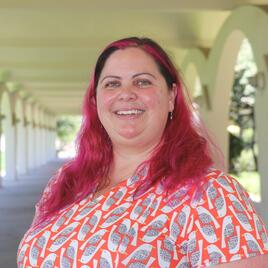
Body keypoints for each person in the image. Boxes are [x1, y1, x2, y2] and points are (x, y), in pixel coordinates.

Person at [17, 37, 268, 267]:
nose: (126, 94)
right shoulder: (66, 182)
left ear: (171, 96)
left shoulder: (212, 194)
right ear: (96, 101)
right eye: (112, 84)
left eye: (142, 82)